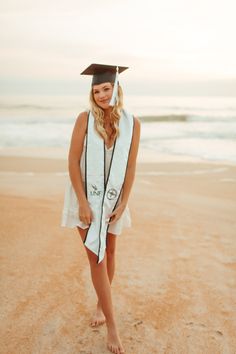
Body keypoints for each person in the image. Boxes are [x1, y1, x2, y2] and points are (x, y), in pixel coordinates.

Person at [61, 63, 140, 354]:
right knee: (97, 258)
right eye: (96, 91)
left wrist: (124, 202)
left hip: (114, 199)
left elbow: (131, 165)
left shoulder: (133, 123)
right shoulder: (84, 119)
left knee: (111, 251)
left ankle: (99, 303)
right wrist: (82, 202)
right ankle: (112, 327)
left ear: (116, 88)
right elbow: (72, 161)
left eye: (106, 88)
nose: (102, 95)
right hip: (85, 199)